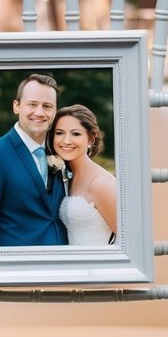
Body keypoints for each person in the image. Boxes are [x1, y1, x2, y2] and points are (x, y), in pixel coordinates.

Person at [0, 73, 68, 247]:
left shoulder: (60, 152)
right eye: (32, 104)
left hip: (61, 267)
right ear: (17, 106)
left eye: (47, 106)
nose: (39, 112)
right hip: (16, 270)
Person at [47, 104, 117, 246]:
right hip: (73, 266)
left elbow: (128, 240)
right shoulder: (67, 177)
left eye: (75, 134)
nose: (66, 141)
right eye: (59, 133)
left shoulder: (101, 183)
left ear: (91, 139)